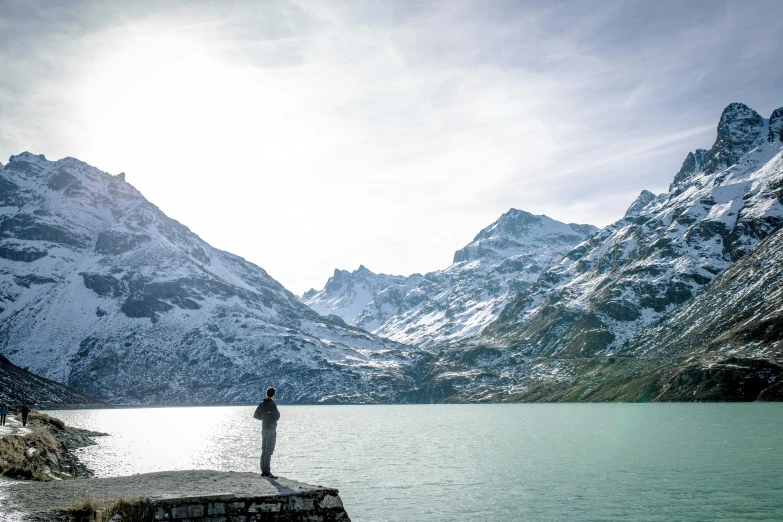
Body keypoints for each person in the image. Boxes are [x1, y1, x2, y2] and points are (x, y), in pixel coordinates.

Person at [253, 387, 280, 479]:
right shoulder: (272, 404)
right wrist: (270, 420)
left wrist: (264, 419)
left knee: (264, 450)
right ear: (274, 394)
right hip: (271, 429)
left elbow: (256, 415)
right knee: (269, 451)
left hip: (263, 429)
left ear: (266, 394)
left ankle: (263, 471)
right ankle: (267, 472)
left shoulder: (261, 404)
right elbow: (277, 416)